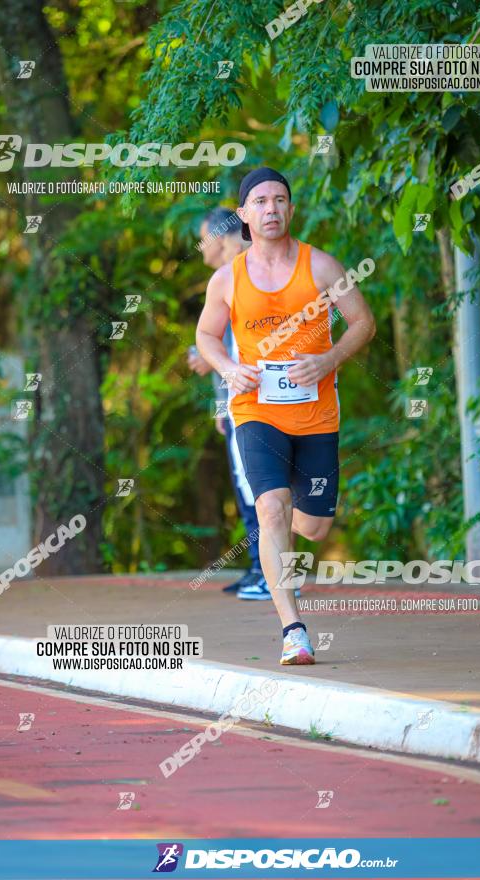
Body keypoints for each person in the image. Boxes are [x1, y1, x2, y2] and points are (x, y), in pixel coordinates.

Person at [196, 167, 376, 664]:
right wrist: (230, 368)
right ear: (243, 215)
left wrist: (327, 359)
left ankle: (290, 540)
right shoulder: (226, 279)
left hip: (317, 415)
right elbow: (206, 337)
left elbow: (363, 322)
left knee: (313, 528)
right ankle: (293, 630)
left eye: (279, 200)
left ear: (291, 210)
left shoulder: (320, 267)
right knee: (270, 508)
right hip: (255, 411)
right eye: (260, 201)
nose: (270, 209)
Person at [187, 207, 268, 599]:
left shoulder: (254, 269)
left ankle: (271, 573)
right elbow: (222, 340)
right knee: (247, 486)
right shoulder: (225, 279)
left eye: (202, 239)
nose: (200, 249)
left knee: (263, 486)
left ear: (219, 238)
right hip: (236, 402)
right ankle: (259, 568)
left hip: (264, 399)